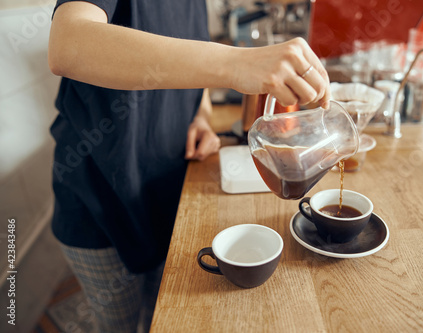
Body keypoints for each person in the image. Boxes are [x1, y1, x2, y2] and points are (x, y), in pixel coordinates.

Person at [48, 1, 330, 332]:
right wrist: (236, 63)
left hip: (168, 188)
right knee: (116, 323)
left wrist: (202, 116)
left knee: (159, 313)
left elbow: (190, 72)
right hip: (100, 198)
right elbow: (67, 45)